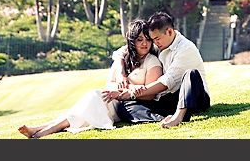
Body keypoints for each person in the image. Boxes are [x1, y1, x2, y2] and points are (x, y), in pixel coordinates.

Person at [17, 19, 162, 138]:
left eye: (148, 40)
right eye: (140, 39)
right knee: (89, 101)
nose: (145, 44)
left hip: (126, 105)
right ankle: (40, 129)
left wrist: (124, 91)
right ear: (132, 41)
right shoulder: (124, 57)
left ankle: (43, 131)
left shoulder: (152, 62)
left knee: (92, 98)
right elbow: (110, 82)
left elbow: (150, 94)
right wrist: (118, 84)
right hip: (111, 99)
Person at [111, 11, 210, 127]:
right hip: (169, 99)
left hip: (195, 98)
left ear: (169, 32)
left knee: (191, 74)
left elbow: (166, 82)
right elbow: (120, 52)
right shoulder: (160, 43)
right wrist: (121, 73)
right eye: (152, 40)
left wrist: (135, 92)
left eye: (156, 39)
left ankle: (178, 117)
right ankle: (161, 119)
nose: (154, 43)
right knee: (125, 106)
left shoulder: (186, 48)